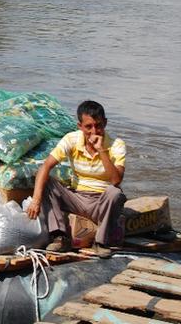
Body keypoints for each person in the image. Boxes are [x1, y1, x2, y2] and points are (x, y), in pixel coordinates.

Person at [27, 100, 127, 258]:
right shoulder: (71, 140)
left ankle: (101, 242)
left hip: (102, 202)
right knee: (47, 182)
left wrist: (101, 150)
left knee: (115, 193)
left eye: (99, 125)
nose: (94, 131)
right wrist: (36, 200)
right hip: (77, 198)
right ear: (80, 126)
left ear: (105, 123)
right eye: (88, 127)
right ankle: (59, 237)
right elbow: (45, 167)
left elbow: (116, 180)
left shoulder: (116, 145)